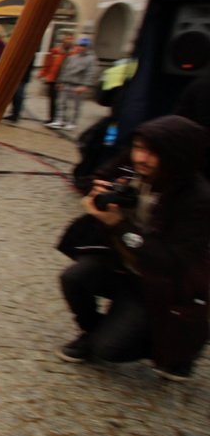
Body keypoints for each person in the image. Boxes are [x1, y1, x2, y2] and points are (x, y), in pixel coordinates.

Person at [56, 115, 210, 381]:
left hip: (159, 284)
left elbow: (169, 262)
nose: (141, 157)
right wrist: (99, 190)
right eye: (139, 147)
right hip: (120, 265)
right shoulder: (133, 167)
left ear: (178, 156)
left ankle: (182, 349)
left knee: (110, 350)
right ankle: (93, 331)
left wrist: (120, 225)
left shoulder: (197, 200)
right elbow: (99, 176)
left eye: (152, 152)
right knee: (73, 278)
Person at [49, 36, 98, 130]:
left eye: (83, 46)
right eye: (79, 45)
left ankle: (72, 122)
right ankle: (60, 120)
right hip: (67, 83)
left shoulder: (91, 59)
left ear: (88, 47)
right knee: (61, 103)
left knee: (75, 106)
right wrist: (60, 81)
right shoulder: (72, 57)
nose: (81, 47)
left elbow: (91, 73)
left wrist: (85, 85)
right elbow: (64, 70)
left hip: (78, 85)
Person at [39, 31, 76, 124]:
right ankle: (52, 118)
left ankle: (62, 119)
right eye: (66, 39)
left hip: (66, 81)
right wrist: (43, 74)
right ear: (63, 40)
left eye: (70, 39)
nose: (68, 41)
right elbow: (48, 63)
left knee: (64, 101)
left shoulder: (74, 54)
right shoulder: (55, 51)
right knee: (53, 100)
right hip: (53, 79)